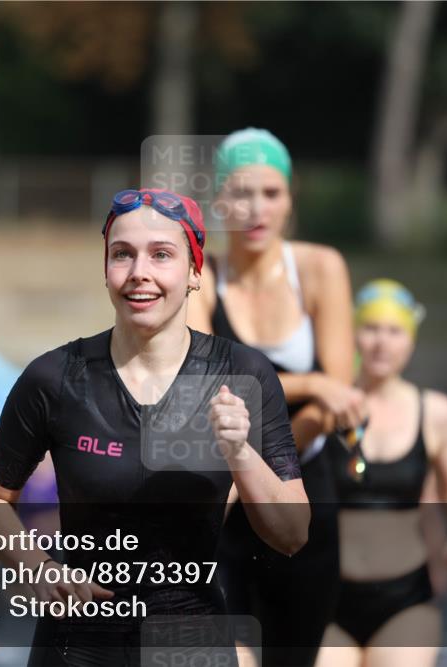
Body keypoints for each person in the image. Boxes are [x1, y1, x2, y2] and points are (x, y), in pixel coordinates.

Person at [0, 188, 310, 667]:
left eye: (162, 255)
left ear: (195, 272)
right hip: (76, 644)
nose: (139, 274)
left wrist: (240, 453)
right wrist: (38, 570)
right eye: (122, 255)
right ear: (105, 270)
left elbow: (293, 533)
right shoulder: (56, 378)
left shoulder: (241, 376)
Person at [186, 128, 362, 667]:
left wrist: (267, 445)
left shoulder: (318, 269)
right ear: (218, 201)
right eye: (240, 193)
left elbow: (341, 402)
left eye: (271, 193)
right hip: (222, 503)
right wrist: (309, 383)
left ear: (290, 198)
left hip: (303, 492)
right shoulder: (202, 276)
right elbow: (204, 390)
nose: (255, 209)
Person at [314, 279, 447, 667]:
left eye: (394, 332)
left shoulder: (435, 411)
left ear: (410, 341)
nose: (381, 343)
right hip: (328, 598)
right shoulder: (325, 406)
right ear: (353, 334)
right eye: (371, 328)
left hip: (405, 599)